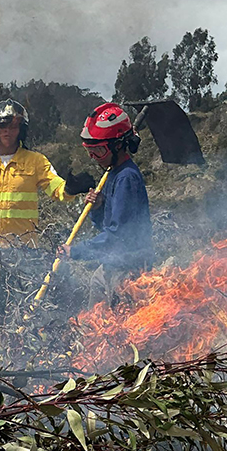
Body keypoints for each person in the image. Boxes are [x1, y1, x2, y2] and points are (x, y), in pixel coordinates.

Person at [0, 99, 93, 315]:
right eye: (3, 125)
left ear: (21, 130)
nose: (8, 131)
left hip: (25, 251)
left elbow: (57, 189)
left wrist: (70, 188)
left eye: (14, 126)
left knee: (24, 306)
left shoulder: (36, 161)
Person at [58, 103, 153, 305]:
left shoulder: (126, 178)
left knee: (123, 322)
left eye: (99, 151)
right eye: (90, 151)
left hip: (129, 269)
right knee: (96, 312)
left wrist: (76, 251)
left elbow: (118, 235)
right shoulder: (113, 174)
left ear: (118, 145)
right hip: (111, 265)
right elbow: (106, 226)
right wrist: (99, 207)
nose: (93, 158)